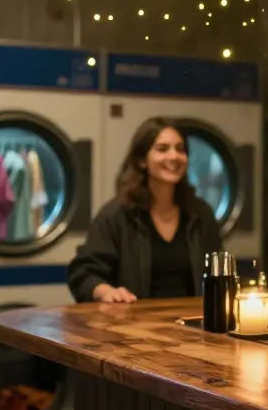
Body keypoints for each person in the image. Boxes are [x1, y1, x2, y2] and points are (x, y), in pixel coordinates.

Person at [68, 117, 223, 303]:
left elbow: (219, 272)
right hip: (134, 324)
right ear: (142, 160)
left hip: (192, 324)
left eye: (180, 149)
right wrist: (107, 292)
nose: (174, 156)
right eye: (162, 149)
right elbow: (83, 274)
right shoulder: (117, 215)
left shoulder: (199, 214)